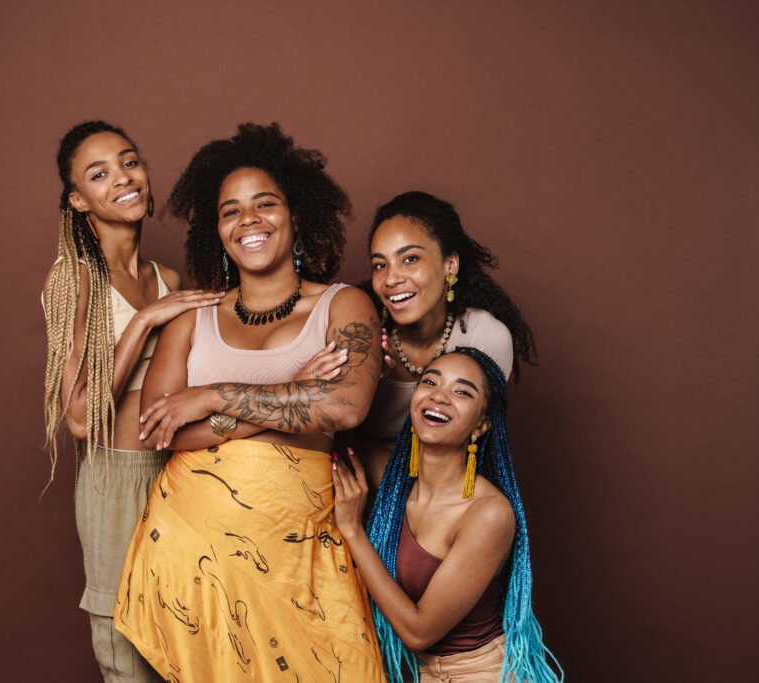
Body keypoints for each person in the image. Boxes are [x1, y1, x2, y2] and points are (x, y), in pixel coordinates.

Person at [115, 123, 388, 681]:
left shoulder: (346, 305)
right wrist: (288, 400)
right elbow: (158, 430)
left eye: (265, 204)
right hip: (191, 559)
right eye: (230, 211)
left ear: (296, 215)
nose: (249, 221)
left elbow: (345, 409)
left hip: (296, 561)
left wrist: (212, 397)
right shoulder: (193, 317)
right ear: (217, 231)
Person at [42, 120, 225, 682]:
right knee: (126, 648)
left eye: (130, 162)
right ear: (78, 200)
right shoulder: (73, 279)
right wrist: (144, 321)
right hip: (114, 480)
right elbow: (79, 417)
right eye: (99, 174)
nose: (123, 179)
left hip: (179, 471)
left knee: (188, 636)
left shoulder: (166, 276)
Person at [332, 348, 562, 683]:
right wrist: (363, 375)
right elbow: (327, 429)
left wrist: (353, 531)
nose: (440, 397)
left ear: (481, 425)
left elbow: (418, 632)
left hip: (486, 673)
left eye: (462, 392)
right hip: (429, 675)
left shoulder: (488, 514)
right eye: (430, 382)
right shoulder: (392, 481)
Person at [346, 191, 537, 488]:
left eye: (410, 259)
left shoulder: (482, 336)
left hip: (439, 504)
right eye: (380, 265)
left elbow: (461, 463)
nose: (391, 279)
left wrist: (367, 454)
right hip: (351, 493)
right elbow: (326, 430)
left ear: (450, 265)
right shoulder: (358, 330)